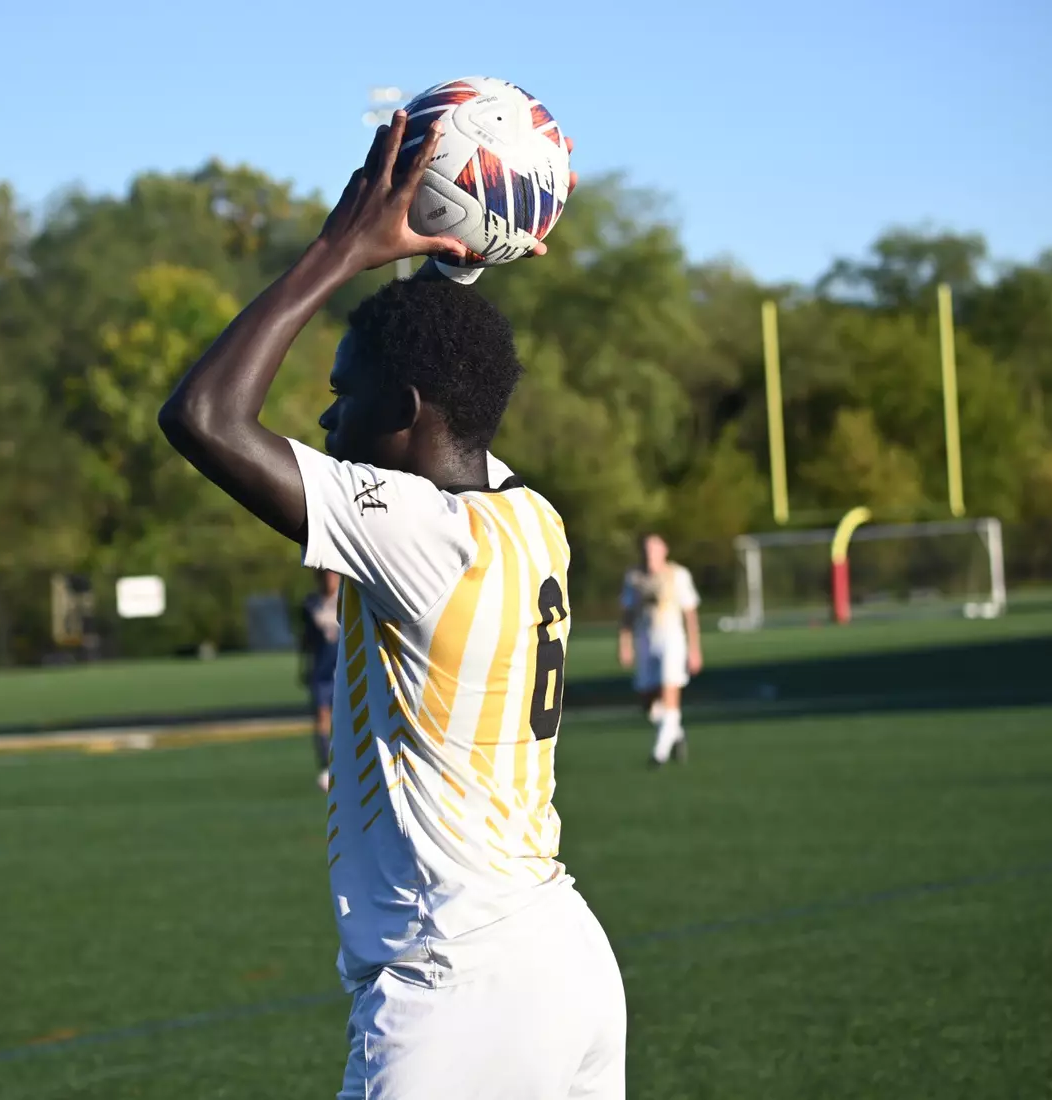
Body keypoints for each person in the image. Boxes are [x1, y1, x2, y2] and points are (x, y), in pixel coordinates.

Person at [159, 114, 623, 1099]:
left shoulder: (421, 536)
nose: (326, 419)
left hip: (461, 988)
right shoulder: (529, 517)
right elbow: (455, 371)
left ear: (405, 409)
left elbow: (203, 416)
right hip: (565, 957)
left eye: (343, 395)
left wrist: (341, 247)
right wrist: (461, 253)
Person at [618, 534, 703, 765]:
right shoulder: (634, 577)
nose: (650, 555)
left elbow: (690, 614)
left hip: (671, 638)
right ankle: (675, 732)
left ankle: (660, 752)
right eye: (647, 550)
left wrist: (694, 649)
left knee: (669, 691)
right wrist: (625, 644)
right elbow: (627, 614)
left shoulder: (678, 575)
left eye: (654, 550)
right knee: (648, 701)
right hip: (645, 639)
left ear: (664, 551)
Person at [299, 568, 342, 792]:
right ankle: (327, 764)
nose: (329, 579)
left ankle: (346, 761)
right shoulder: (311, 604)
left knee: (345, 718)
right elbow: (307, 640)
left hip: (343, 669)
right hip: (322, 671)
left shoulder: (346, 601)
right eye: (325, 575)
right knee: (322, 716)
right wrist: (303, 667)